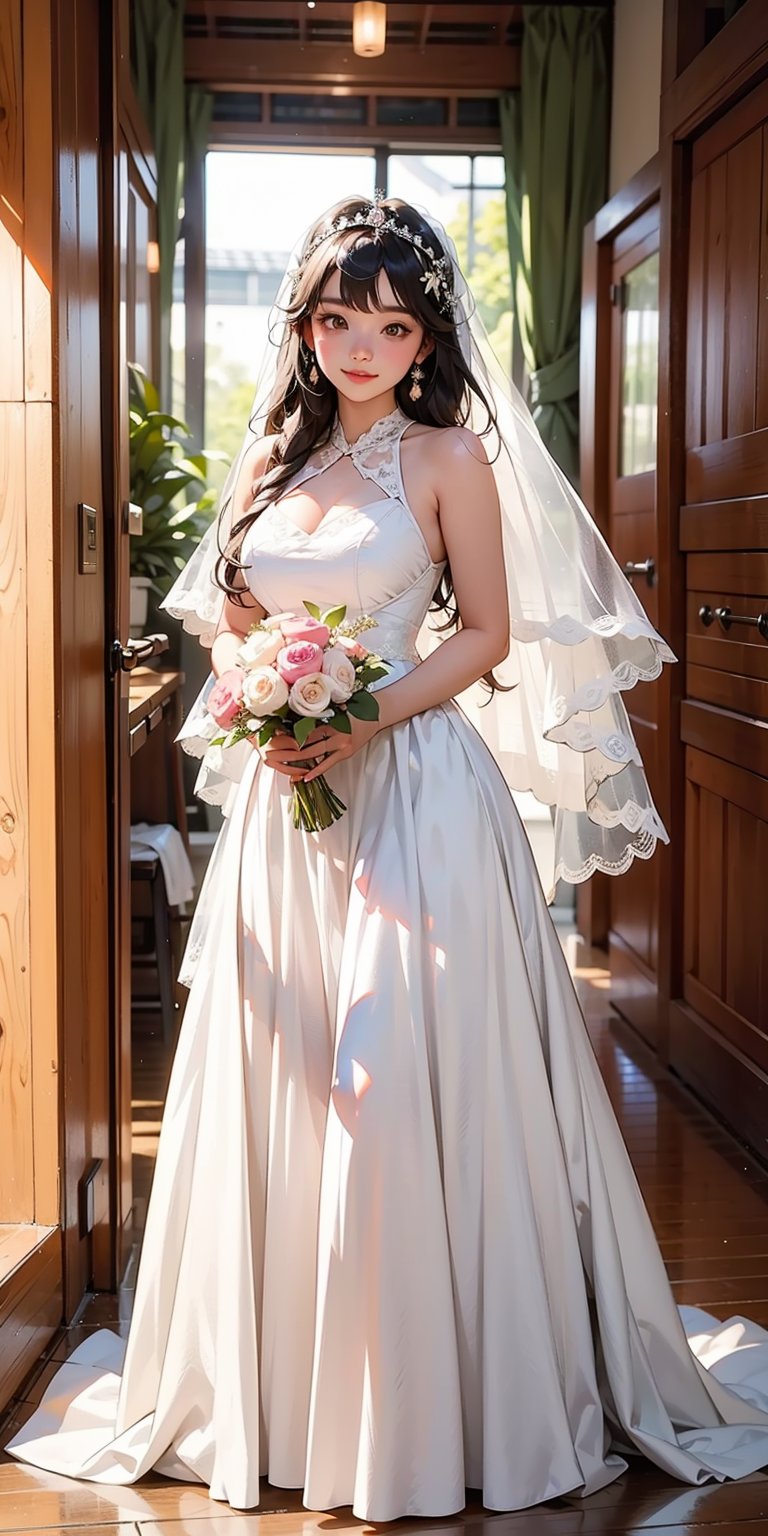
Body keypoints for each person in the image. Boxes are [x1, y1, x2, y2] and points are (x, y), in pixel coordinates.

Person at [7, 193, 768, 1520]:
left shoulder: (449, 461)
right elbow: (238, 616)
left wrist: (356, 715)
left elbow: (486, 635)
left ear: (425, 341)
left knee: (397, 1080)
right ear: (305, 328)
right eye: (338, 318)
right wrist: (266, 700)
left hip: (417, 796)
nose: (362, 345)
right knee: (290, 1080)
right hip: (287, 806)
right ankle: (290, 1396)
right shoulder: (265, 465)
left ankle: (430, 1408)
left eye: (391, 324)